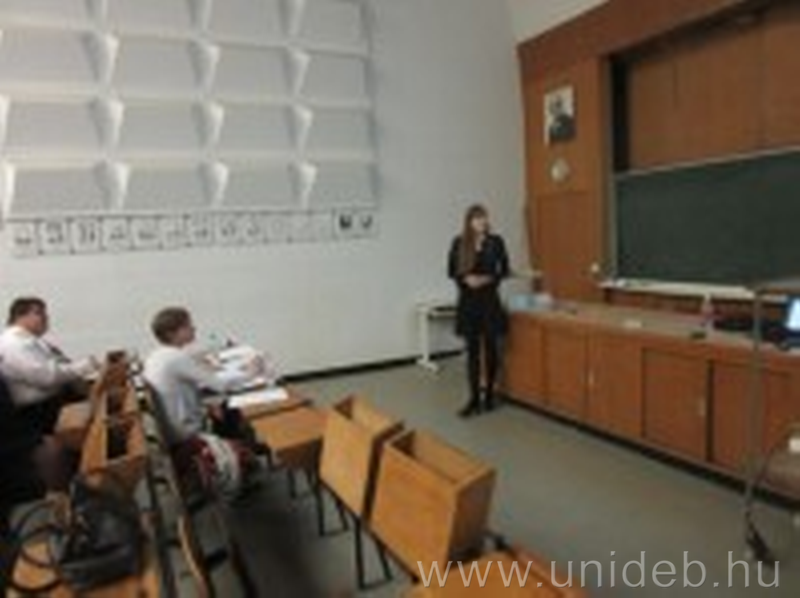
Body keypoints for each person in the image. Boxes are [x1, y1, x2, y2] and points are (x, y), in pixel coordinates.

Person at [0, 297, 98, 435]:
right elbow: (47, 377)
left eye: (45, 313)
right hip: (40, 413)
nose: (46, 318)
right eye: (39, 313)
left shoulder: (28, 340)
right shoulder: (14, 343)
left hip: (51, 405)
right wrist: (84, 367)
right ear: (19, 317)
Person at [448, 204, 510, 417]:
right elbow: (451, 271)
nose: (481, 221)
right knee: (472, 353)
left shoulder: (496, 242)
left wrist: (486, 279)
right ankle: (474, 399)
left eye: (484, 217)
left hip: (490, 301)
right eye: (476, 218)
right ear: (469, 222)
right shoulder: (459, 242)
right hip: (468, 303)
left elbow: (504, 270)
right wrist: (466, 279)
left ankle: (490, 395)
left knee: (492, 350)